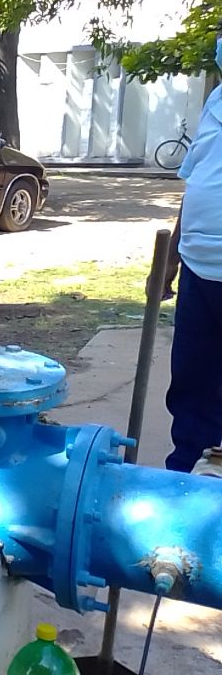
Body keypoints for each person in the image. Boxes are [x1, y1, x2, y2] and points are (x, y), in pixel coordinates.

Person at [160, 31, 222, 473]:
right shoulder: (216, 100)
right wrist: (171, 257)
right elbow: (196, 179)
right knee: (191, 383)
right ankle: (183, 482)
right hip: (199, 266)